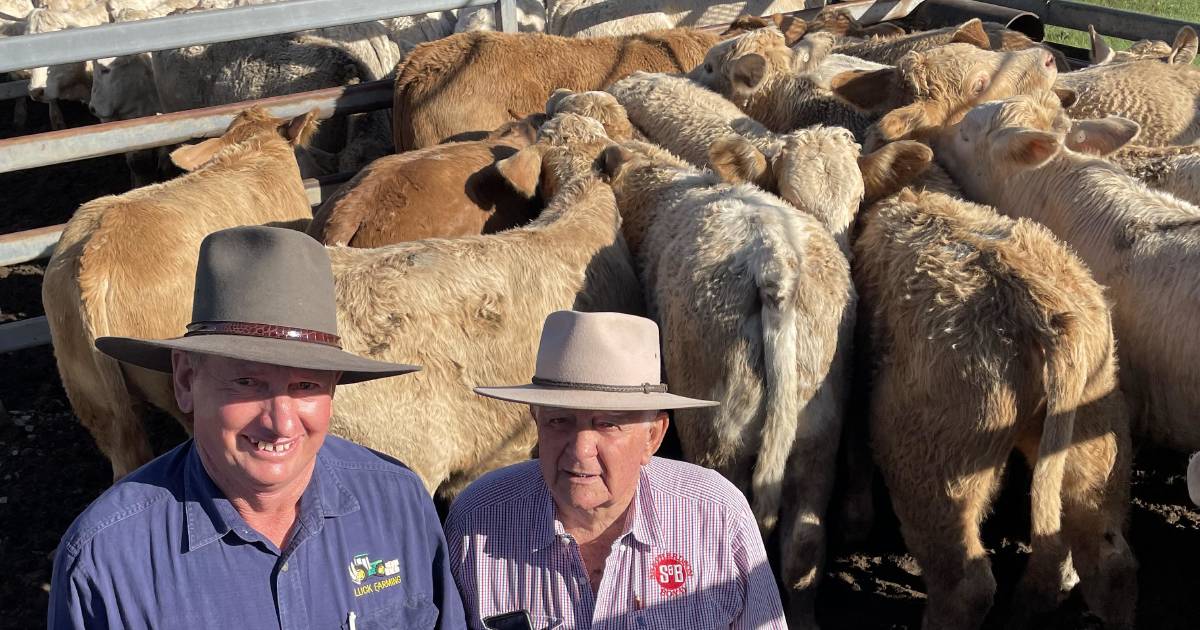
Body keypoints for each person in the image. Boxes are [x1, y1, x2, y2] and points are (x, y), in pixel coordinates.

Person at [48, 226, 466, 629]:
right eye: (247, 383)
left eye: (306, 386)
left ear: (333, 389)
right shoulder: (107, 560)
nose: (280, 423)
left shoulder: (398, 501)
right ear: (185, 381)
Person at [444, 310, 787, 629]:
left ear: (653, 436)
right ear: (537, 421)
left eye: (607, 424)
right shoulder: (478, 518)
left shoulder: (717, 515)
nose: (580, 449)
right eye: (559, 420)